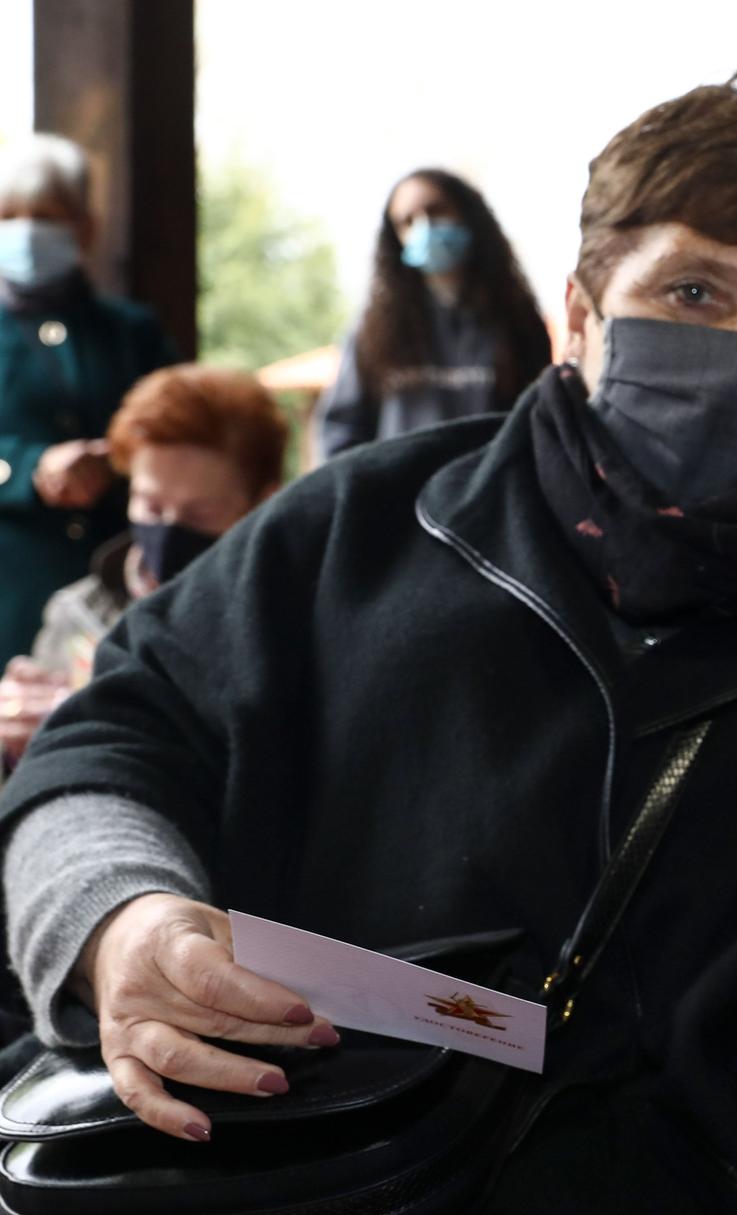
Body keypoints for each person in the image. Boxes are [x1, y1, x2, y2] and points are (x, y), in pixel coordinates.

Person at [0, 72, 737, 1215]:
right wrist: (120, 923)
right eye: (691, 293)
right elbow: (115, 739)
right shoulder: (357, 528)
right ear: (576, 313)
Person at [0, 365, 286, 775]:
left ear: (263, 503)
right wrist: (17, 738)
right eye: (151, 506)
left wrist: (86, 723)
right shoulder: (78, 613)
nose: (167, 532)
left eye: (199, 514)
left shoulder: (281, 626)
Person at [0, 134, 174, 659]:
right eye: (11, 215)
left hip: (118, 591)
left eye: (48, 215)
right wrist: (28, 468)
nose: (27, 231)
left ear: (85, 226)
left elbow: (177, 436)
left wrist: (117, 460)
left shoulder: (132, 331)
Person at [314, 168, 550, 457]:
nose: (423, 227)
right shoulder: (373, 331)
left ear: (467, 215)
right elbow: (340, 432)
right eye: (406, 221)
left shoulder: (518, 323)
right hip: (396, 499)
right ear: (395, 237)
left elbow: (539, 428)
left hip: (487, 497)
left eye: (436, 210)